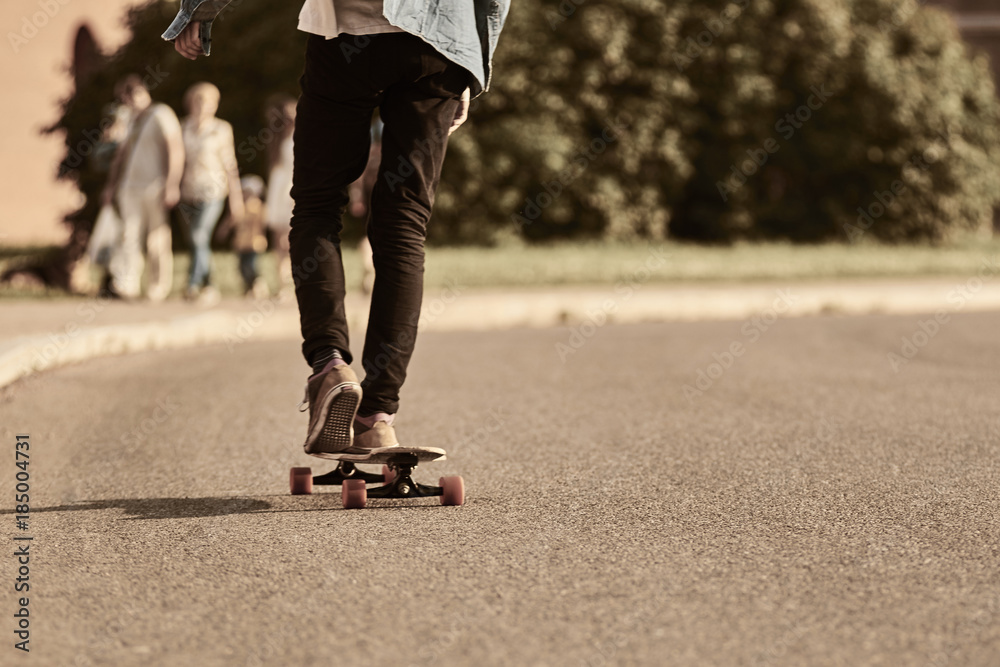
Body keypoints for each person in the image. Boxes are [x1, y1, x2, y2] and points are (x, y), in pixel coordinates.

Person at [171, 0, 508, 457]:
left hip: (346, 37)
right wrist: (472, 58)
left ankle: (329, 365)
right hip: (437, 46)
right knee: (404, 226)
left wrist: (201, 10)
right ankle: (378, 417)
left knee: (316, 208)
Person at [102, 75, 184, 301]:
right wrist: (111, 185)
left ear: (141, 93)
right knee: (129, 235)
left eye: (130, 97)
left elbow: (175, 149)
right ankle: (127, 285)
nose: (128, 103)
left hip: (154, 186)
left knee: (156, 238)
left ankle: (157, 288)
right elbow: (120, 156)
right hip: (129, 187)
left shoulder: (161, 114)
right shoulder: (129, 119)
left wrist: (172, 184)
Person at [178, 82, 244, 304]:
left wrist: (236, 199)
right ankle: (210, 285)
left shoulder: (221, 129)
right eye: (201, 101)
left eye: (210, 102)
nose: (205, 106)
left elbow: (230, 166)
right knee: (197, 240)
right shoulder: (183, 127)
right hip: (187, 190)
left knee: (199, 235)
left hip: (213, 190)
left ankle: (192, 284)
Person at [262, 95, 297, 301]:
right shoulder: (278, 140)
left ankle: (293, 281)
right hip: (279, 188)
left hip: (292, 188)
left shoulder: (302, 136)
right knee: (279, 240)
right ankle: (282, 283)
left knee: (290, 239)